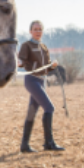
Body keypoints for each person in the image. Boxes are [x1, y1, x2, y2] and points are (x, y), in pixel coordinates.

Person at [17, 20, 65, 153]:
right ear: (30, 31)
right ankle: (49, 143)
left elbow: (47, 68)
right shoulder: (26, 45)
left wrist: (53, 66)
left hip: (42, 81)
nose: (38, 31)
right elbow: (21, 61)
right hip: (32, 80)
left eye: (40, 29)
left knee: (32, 113)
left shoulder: (44, 47)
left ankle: (24, 145)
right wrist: (18, 62)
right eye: (35, 29)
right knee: (49, 108)